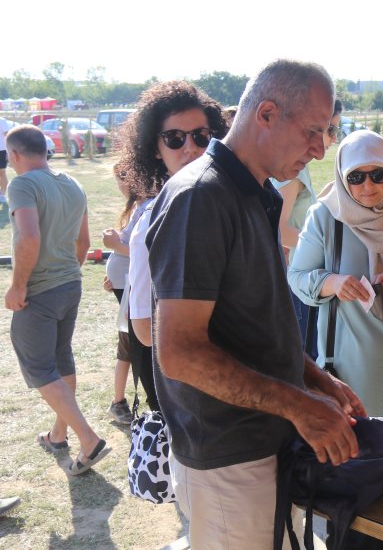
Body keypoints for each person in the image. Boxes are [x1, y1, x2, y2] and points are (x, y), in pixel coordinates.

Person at [147, 59, 365, 548]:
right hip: (228, 459)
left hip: (266, 446)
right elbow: (180, 353)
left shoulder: (255, 191)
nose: (320, 146)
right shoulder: (200, 197)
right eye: (313, 130)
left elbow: (253, 323)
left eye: (327, 131)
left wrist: (314, 378)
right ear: (266, 113)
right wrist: (299, 405)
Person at [289, 129, 383, 417]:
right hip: (350, 363)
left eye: (379, 175)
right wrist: (331, 282)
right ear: (342, 176)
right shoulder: (326, 217)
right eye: (356, 177)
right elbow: (297, 276)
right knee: (361, 450)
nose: (368, 186)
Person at [3, 124, 112, 476]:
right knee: (61, 359)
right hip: (70, 285)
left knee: (39, 367)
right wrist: (68, 272)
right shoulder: (73, 184)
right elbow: (84, 241)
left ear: (15, 155)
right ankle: (58, 434)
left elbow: (28, 238)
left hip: (40, 290)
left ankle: (88, 439)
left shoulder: (22, 184)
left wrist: (18, 286)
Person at [116, 81, 229, 413]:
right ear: (155, 148)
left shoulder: (224, 204)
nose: (190, 148)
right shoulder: (152, 220)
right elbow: (144, 330)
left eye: (200, 136)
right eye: (175, 139)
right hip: (196, 394)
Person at [273, 97, 344, 359]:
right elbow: (279, 229)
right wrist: (322, 248)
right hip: (297, 279)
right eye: (332, 129)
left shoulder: (297, 168)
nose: (333, 139)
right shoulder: (295, 171)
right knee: (306, 359)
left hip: (296, 276)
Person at [101, 162, 139, 423]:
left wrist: (115, 244)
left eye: (122, 180)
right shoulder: (136, 206)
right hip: (125, 283)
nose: (121, 188)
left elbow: (143, 250)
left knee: (131, 340)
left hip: (129, 282)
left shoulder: (146, 203)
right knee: (128, 340)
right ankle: (118, 401)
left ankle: (119, 401)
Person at [0, 117, 10, 205]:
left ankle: (2, 194)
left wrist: (8, 151)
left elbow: (8, 136)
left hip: (1, 151)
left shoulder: (2, 121)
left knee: (2, 173)